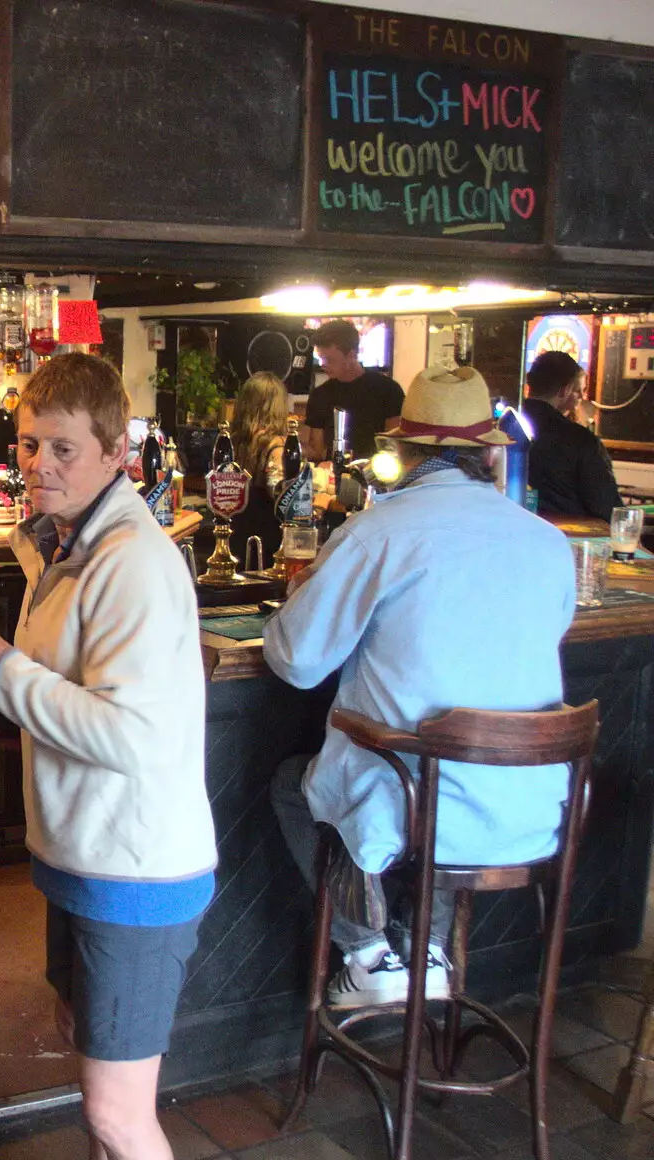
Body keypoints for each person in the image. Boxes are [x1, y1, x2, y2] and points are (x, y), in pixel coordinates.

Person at [0, 353, 216, 1160]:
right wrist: (19, 729)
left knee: (120, 1110)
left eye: (62, 448)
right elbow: (80, 696)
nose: (39, 465)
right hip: (86, 861)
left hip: (137, 870)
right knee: (95, 1079)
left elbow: (132, 735)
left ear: (117, 452)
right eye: (26, 444)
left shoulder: (133, 561)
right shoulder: (70, 545)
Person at [263, 366, 575, 1009]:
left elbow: (296, 661)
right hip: (529, 809)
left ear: (399, 452)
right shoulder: (549, 544)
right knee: (444, 772)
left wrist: (299, 600)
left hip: (414, 806)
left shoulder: (378, 534)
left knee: (302, 785)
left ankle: (370, 952)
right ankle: (425, 948)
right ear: (490, 453)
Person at [524, 349, 622, 522]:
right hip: (569, 539)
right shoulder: (581, 440)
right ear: (565, 390)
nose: (582, 397)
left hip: (509, 531)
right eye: (579, 391)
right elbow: (607, 508)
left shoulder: (502, 427)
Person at [302, 320, 404, 462]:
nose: (323, 364)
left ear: (352, 354)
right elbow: (317, 451)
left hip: (377, 474)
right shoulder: (320, 395)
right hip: (332, 475)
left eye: (329, 359)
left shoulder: (388, 390)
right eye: (321, 358)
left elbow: (395, 443)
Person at [228, 371, 290, 565]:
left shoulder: (232, 441)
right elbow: (279, 495)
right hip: (265, 540)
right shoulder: (276, 445)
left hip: (235, 532)